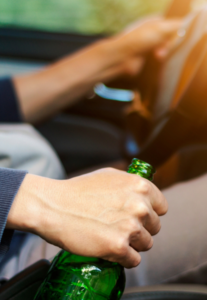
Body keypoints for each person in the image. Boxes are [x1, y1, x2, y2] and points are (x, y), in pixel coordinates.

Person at [0, 18, 180, 273]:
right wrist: (41, 202)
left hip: (22, 227)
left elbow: (4, 103)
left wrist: (117, 54)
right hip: (13, 256)